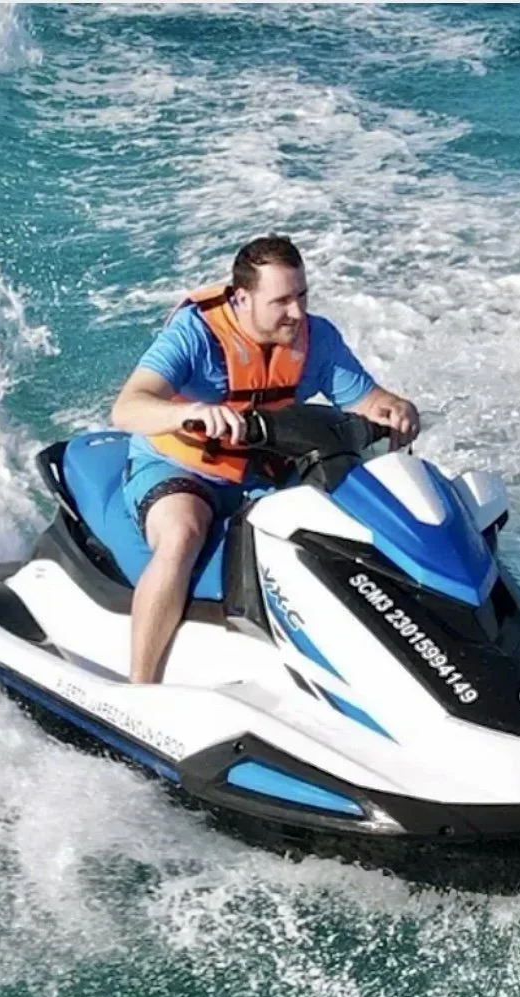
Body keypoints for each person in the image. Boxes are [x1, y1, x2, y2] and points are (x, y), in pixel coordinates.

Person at [109, 234, 420, 683]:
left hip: (260, 475)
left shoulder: (316, 339)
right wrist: (190, 412)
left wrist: (395, 409)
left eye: (302, 296)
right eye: (282, 301)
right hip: (180, 468)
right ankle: (140, 686)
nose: (297, 312)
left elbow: (368, 399)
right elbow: (127, 408)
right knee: (182, 534)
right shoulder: (196, 335)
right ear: (241, 299)